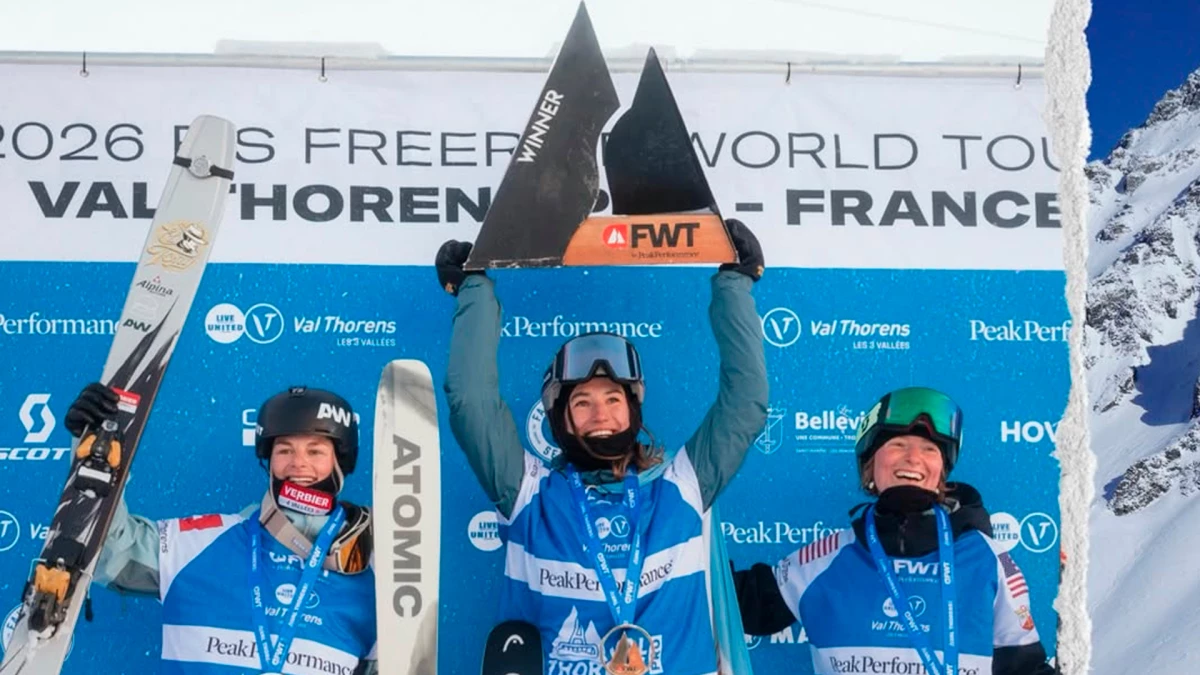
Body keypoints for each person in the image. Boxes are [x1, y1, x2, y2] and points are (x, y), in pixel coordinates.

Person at [435, 218, 769, 675]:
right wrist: (473, 293)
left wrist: (735, 286)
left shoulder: (684, 484)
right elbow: (471, 402)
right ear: (561, 418)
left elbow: (744, 404)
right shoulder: (529, 494)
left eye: (614, 398)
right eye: (583, 401)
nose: (601, 413)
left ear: (633, 411)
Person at [732, 386, 1059, 675]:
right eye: (898, 444)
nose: (914, 457)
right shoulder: (826, 559)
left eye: (931, 449)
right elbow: (740, 605)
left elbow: (1022, 668)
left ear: (941, 475)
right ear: (869, 466)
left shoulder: (989, 557)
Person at [65, 382, 378, 675]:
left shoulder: (375, 567)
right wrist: (96, 455)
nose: (298, 463)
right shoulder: (203, 543)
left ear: (341, 461)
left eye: (315, 451)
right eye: (284, 450)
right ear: (268, 460)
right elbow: (109, 550)